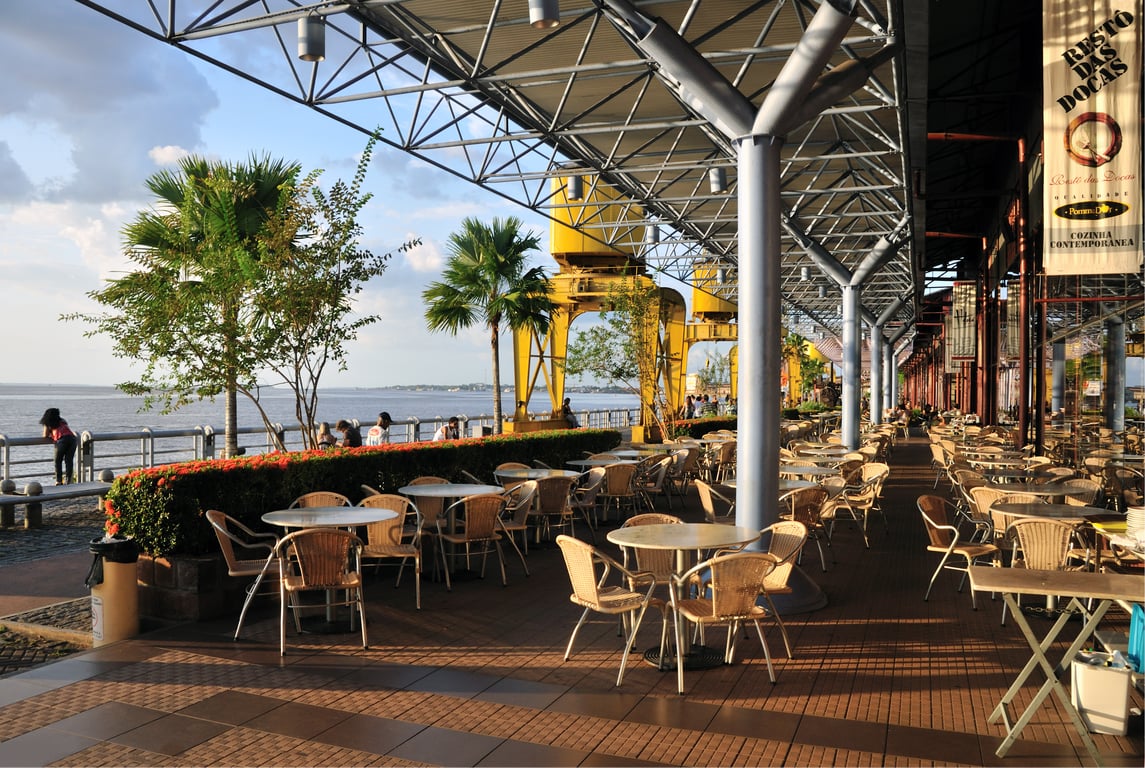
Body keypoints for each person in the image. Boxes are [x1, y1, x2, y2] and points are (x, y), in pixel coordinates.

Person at [39, 408, 77, 485]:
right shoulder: (62, 421)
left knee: (57, 461)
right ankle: (69, 481)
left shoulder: (48, 422)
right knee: (69, 461)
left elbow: (45, 435)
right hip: (72, 439)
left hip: (62, 440)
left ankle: (59, 481)